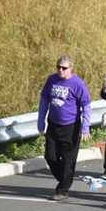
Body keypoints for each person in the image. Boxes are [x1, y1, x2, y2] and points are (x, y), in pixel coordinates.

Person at [37, 55, 91, 201]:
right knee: (50, 156)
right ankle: (65, 179)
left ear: (70, 69)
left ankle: (63, 190)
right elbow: (44, 100)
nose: (60, 70)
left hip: (71, 126)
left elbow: (86, 106)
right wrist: (40, 120)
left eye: (64, 68)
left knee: (68, 159)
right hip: (53, 125)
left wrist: (85, 127)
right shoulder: (51, 80)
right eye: (58, 67)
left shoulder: (77, 83)